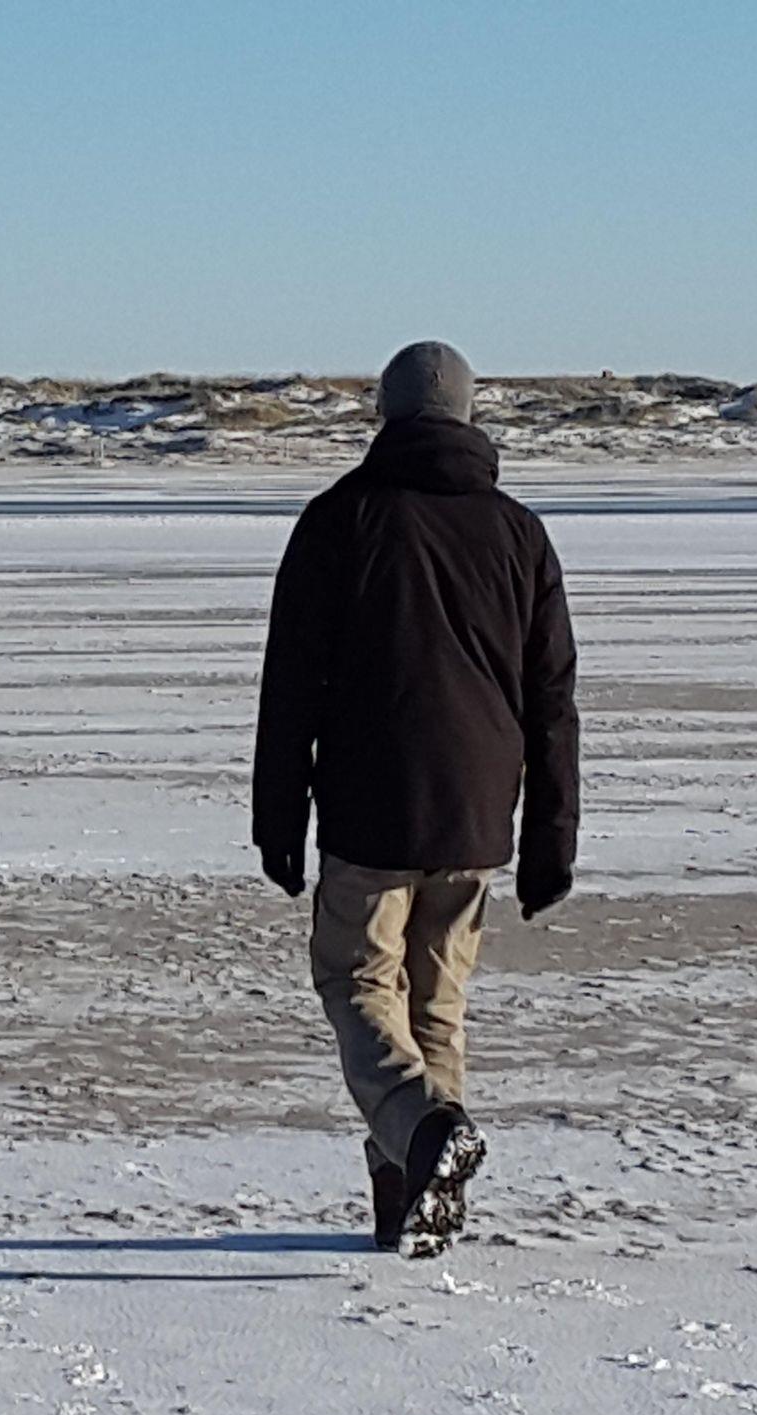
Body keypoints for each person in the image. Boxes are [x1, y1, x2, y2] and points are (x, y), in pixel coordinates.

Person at [251, 340, 580, 1259]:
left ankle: (423, 1132)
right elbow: (551, 701)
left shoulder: (340, 518)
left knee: (358, 983)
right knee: (434, 1003)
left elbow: (292, 685)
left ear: (386, 416)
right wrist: (551, 837)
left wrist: (278, 816)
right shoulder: (518, 534)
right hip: (476, 811)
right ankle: (410, 1203)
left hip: (371, 808)